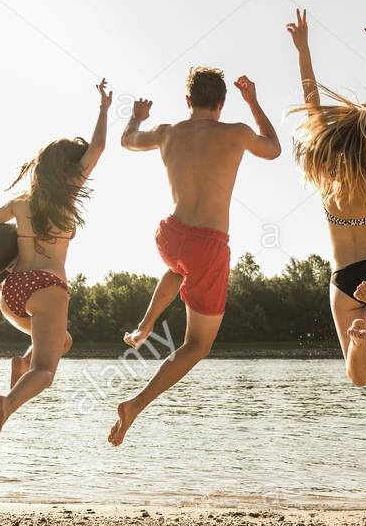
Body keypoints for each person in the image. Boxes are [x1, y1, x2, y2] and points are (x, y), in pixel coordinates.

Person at [108, 66, 281, 445]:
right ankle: (135, 405)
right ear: (221, 103)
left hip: (171, 235)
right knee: (197, 345)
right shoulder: (235, 132)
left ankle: (146, 325)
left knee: (177, 268)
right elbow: (273, 148)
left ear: (188, 102)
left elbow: (127, 140)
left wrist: (136, 116)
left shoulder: (168, 132)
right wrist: (253, 103)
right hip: (209, 244)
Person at [0, 79, 111, 448]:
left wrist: (6, 255)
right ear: (67, 171)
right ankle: (9, 401)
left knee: (62, 340)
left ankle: (18, 376)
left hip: (11, 293)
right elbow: (98, 147)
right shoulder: (66, 200)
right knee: (46, 371)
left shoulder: (20, 203)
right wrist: (104, 108)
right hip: (47, 290)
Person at [286, 9, 366, 386]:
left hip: (341, 275)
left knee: (358, 378)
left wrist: (303, 49)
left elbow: (312, 102)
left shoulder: (328, 174)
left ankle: (360, 341)